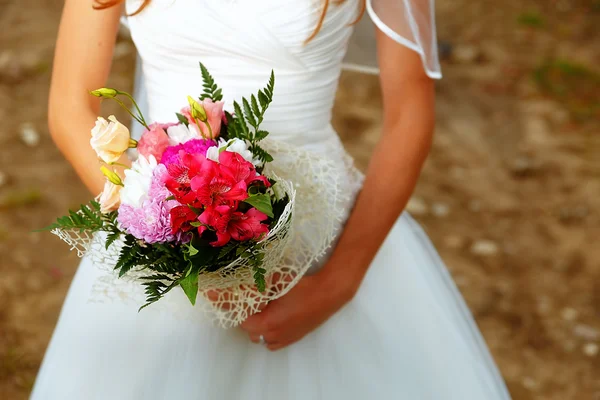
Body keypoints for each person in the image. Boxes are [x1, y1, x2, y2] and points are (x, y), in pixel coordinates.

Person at [31, 0, 512, 399]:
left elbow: (409, 115)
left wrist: (336, 285)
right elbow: (70, 106)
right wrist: (162, 236)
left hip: (317, 244)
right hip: (161, 223)